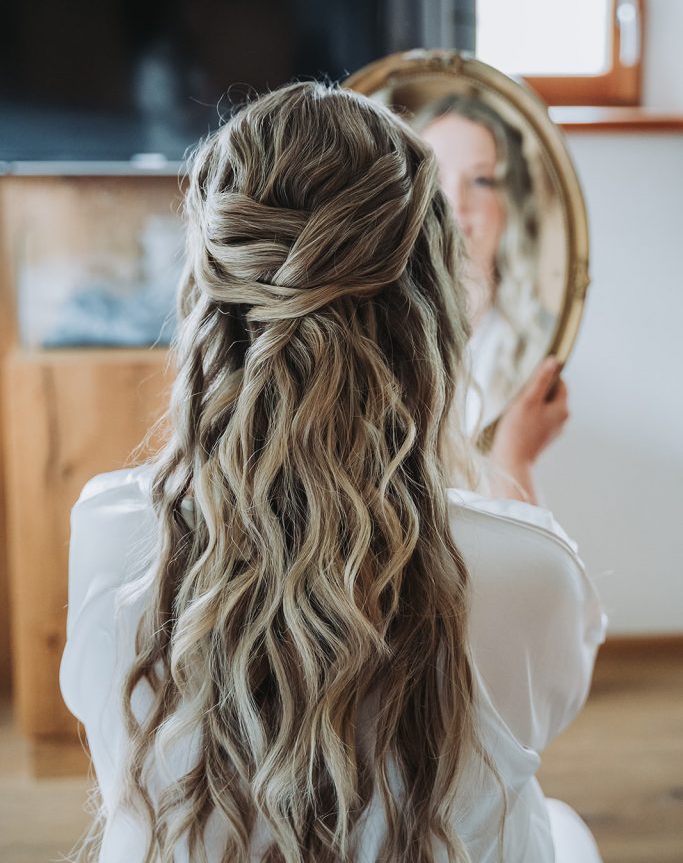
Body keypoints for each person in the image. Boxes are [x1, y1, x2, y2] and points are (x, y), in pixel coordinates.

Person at [60, 81, 606, 862]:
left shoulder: (109, 535)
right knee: (566, 828)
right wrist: (511, 464)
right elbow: (551, 693)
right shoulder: (527, 572)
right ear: (428, 312)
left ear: (206, 300)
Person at [416, 95, 556, 440]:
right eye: (435, 178)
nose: (455, 204)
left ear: (510, 200)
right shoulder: (378, 330)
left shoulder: (539, 343)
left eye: (480, 181)